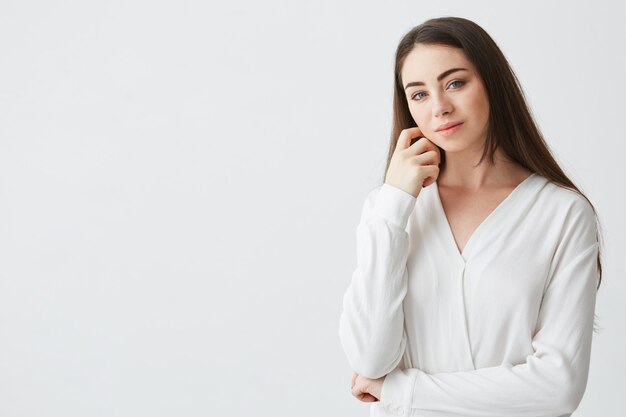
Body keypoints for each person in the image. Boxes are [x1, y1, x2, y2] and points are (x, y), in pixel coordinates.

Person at [338, 16, 604, 417]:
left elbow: (558, 388)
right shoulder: (389, 209)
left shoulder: (563, 214)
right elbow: (370, 358)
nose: (440, 107)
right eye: (419, 94)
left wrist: (402, 390)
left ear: (492, 83)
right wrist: (393, 203)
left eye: (455, 83)